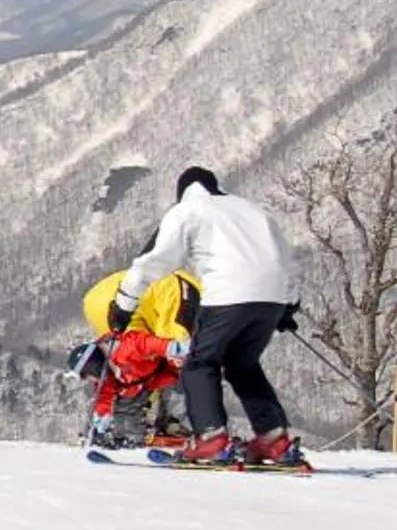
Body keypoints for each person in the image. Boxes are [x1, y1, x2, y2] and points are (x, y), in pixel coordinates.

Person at [109, 166, 303, 465]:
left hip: (228, 294)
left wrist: (123, 306)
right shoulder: (251, 210)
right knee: (243, 365)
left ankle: (210, 438)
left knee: (198, 364)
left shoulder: (188, 210)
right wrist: (288, 306)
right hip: (272, 295)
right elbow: (288, 259)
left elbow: (153, 263)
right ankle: (274, 438)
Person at [75, 263, 201, 448]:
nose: (90, 378)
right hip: (111, 302)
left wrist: (171, 347)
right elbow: (105, 392)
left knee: (191, 370)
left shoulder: (122, 351)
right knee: (132, 396)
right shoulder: (111, 369)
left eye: (87, 373)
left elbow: (142, 343)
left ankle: (188, 427)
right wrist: (100, 417)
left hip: (111, 304)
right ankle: (136, 431)